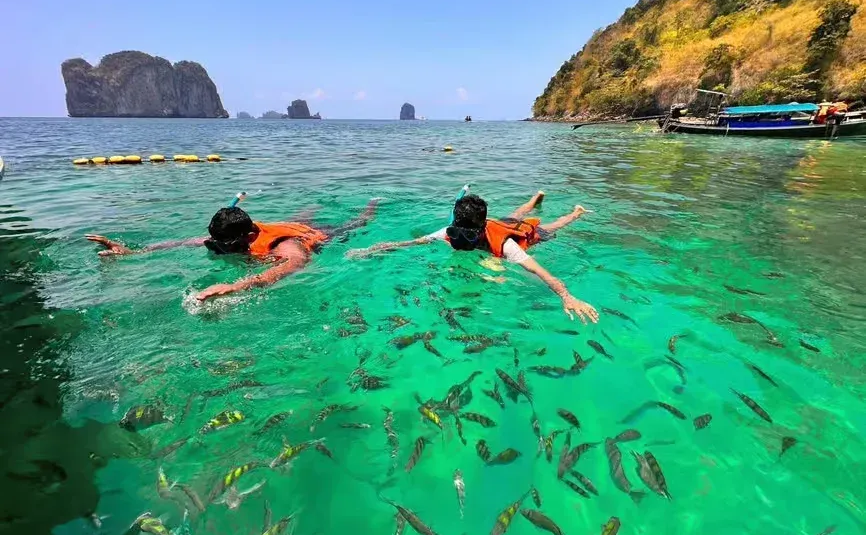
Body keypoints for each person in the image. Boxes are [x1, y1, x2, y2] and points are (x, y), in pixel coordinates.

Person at [347, 192, 598, 323]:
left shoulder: (507, 246)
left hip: (524, 234)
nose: (461, 241)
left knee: (552, 226)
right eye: (458, 234)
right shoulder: (449, 232)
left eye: (469, 237)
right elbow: (411, 243)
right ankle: (535, 199)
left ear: (480, 229)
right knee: (514, 214)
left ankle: (575, 213)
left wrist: (567, 296)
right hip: (501, 222)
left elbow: (542, 272)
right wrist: (371, 249)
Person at [86, 199, 379, 302]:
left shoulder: (282, 246)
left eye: (226, 244)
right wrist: (135, 252)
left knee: (356, 224)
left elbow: (291, 266)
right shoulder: (228, 236)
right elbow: (185, 242)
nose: (218, 247)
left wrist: (236, 285)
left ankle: (371, 206)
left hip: (314, 237)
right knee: (300, 218)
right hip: (280, 226)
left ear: (249, 236)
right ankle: (307, 211)